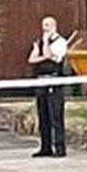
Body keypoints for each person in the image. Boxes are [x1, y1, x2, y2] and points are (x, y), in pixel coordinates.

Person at [28, 16, 68, 158]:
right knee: (43, 115)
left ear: (54, 26)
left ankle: (59, 147)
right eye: (43, 25)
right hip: (41, 82)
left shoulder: (61, 42)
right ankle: (45, 147)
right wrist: (43, 54)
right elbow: (32, 59)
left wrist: (45, 45)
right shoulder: (39, 41)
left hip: (54, 81)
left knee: (55, 116)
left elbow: (48, 54)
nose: (44, 28)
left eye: (47, 25)